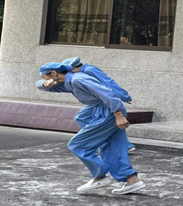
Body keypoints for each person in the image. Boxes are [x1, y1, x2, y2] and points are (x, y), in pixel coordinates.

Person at [37, 62, 144, 195]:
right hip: (101, 110)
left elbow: (107, 94)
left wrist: (118, 114)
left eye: (45, 77)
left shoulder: (78, 80)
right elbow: (42, 86)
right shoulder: (69, 81)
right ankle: (132, 180)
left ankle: (100, 176)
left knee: (77, 145)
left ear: (54, 73)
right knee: (111, 146)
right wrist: (44, 84)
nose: (45, 79)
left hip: (108, 111)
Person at [49, 57, 136, 153]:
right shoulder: (79, 75)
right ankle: (111, 142)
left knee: (109, 123)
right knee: (81, 118)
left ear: (72, 68)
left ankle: (121, 144)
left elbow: (107, 83)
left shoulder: (89, 71)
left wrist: (121, 96)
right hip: (97, 101)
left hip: (105, 100)